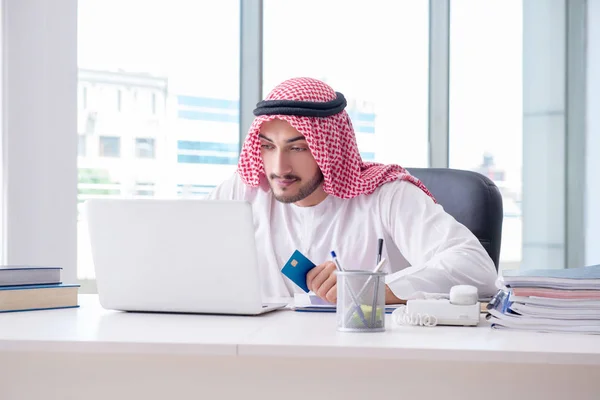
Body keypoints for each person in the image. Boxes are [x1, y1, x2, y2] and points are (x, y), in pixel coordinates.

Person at [208, 77, 498, 304]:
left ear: (329, 148)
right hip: (259, 356)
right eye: (268, 147)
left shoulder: (387, 196)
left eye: (297, 148)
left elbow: (476, 269)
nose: (279, 167)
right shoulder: (243, 191)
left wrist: (372, 288)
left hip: (367, 360)